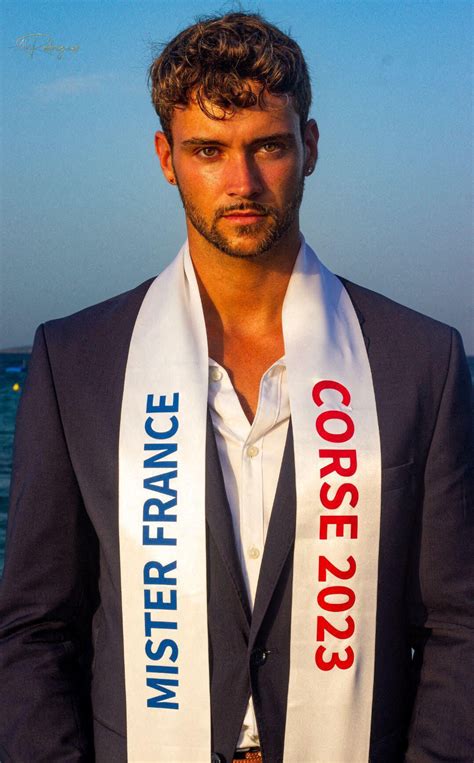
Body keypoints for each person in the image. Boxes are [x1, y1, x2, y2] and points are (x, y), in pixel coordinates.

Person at [0, 11, 472, 763]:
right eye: (209, 150)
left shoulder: (421, 360)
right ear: (167, 157)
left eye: (269, 147)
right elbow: (35, 627)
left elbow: (458, 626)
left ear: (309, 147)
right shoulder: (76, 361)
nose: (242, 182)